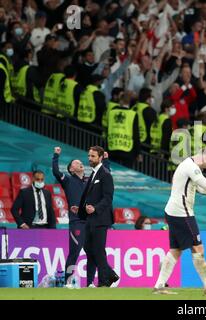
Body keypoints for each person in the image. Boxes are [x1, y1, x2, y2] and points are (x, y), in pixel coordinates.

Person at [153, 147, 206, 295]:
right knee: (198, 248)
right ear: (205, 156)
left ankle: (159, 286)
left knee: (176, 250)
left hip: (174, 211)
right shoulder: (191, 167)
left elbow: (203, 190)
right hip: (182, 213)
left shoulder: (189, 165)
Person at [52, 146, 110, 287]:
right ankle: (67, 281)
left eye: (80, 162)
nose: (80, 163)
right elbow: (55, 171)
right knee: (74, 252)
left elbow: (106, 176)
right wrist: (56, 156)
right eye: (76, 163)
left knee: (92, 254)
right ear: (71, 169)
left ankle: (89, 283)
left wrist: (106, 160)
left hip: (90, 221)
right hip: (77, 222)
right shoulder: (68, 180)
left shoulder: (88, 181)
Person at [71, 146, 119, 287]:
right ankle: (110, 275)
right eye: (89, 156)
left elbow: (108, 198)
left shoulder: (105, 174)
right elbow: (87, 196)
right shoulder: (93, 174)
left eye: (92, 156)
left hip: (101, 218)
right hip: (90, 218)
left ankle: (104, 281)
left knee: (98, 250)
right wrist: (80, 210)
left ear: (100, 157)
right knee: (89, 249)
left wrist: (95, 208)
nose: (89, 159)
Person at [107, 91, 142, 167]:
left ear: (120, 99)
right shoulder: (133, 114)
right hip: (127, 149)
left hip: (112, 146)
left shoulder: (112, 111)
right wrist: (138, 152)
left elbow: (107, 128)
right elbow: (136, 134)